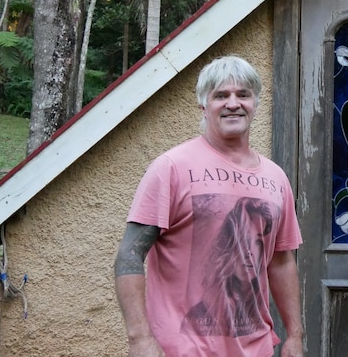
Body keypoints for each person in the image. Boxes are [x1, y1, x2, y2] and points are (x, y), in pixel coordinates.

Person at [114, 55, 304, 357]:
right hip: (183, 348)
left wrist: (294, 335)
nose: (233, 103)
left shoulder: (276, 178)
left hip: (256, 349)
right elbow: (130, 254)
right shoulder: (172, 167)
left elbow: (281, 262)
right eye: (221, 95)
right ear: (204, 106)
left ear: (255, 103)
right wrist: (140, 339)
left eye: (243, 94)